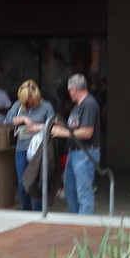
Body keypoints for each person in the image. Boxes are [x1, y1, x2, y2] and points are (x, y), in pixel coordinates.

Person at [51, 74, 101, 215]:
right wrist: (61, 125)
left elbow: (87, 132)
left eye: (69, 90)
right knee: (70, 190)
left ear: (74, 89)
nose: (69, 93)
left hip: (85, 153)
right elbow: (75, 129)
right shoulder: (78, 106)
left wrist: (63, 132)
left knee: (84, 193)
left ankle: (83, 227)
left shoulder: (89, 104)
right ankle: (75, 221)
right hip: (74, 152)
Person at [5, 79, 57, 211]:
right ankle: (25, 210)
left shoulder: (46, 106)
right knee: (23, 183)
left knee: (35, 182)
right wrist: (23, 119)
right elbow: (7, 120)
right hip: (21, 148)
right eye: (25, 99)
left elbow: (54, 125)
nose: (28, 102)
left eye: (30, 99)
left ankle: (38, 211)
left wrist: (38, 127)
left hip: (39, 150)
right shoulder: (19, 105)